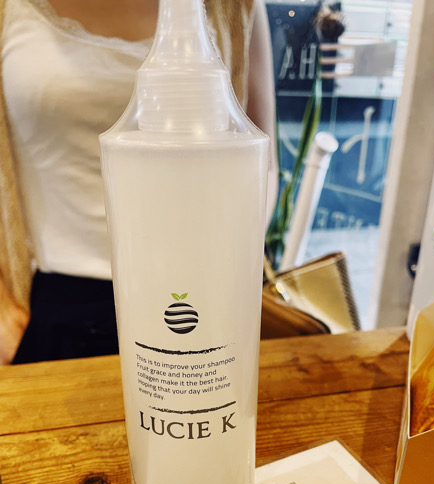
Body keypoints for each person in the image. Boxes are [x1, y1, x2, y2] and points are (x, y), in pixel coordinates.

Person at [0, 0, 278, 364]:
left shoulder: (234, 6)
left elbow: (262, 165)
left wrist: (231, 264)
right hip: (59, 300)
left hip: (206, 292)